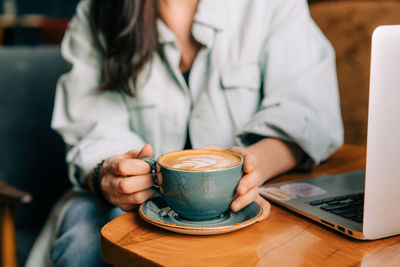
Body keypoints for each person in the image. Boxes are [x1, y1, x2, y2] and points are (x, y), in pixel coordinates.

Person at [29, 0, 343, 266]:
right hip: (123, 204)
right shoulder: (97, 11)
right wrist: (109, 174)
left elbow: (309, 111)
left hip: (254, 196)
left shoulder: (272, 6)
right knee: (86, 246)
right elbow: (92, 129)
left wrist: (252, 165)